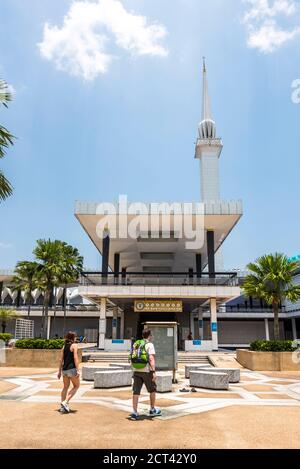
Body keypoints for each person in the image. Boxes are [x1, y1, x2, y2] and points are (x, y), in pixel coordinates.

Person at [130, 328, 161, 421]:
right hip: (147, 371)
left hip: (136, 370)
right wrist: (154, 371)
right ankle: (152, 409)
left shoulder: (136, 343)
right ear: (149, 336)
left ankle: (135, 412)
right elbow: (151, 358)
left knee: (136, 392)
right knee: (152, 390)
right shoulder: (149, 344)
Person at [57, 331, 80, 413]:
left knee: (65, 387)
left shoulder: (64, 346)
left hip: (64, 370)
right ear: (73, 338)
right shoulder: (74, 345)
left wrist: (59, 371)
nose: (76, 338)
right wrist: (78, 369)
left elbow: (61, 360)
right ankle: (65, 402)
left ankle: (62, 407)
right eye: (75, 337)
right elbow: (75, 358)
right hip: (72, 369)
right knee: (76, 386)